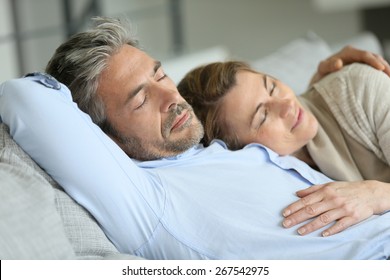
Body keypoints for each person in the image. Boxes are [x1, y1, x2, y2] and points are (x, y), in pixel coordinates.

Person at [1, 16, 390, 260]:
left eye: (160, 75)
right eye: (141, 100)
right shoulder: (146, 200)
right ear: (103, 137)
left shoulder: (217, 148)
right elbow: (23, 98)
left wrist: (317, 91)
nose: (172, 98)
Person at [177, 59, 390, 238]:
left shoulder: (359, 88)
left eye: (272, 87)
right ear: (243, 152)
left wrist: (376, 194)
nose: (287, 105)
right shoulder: (271, 186)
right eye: (263, 116)